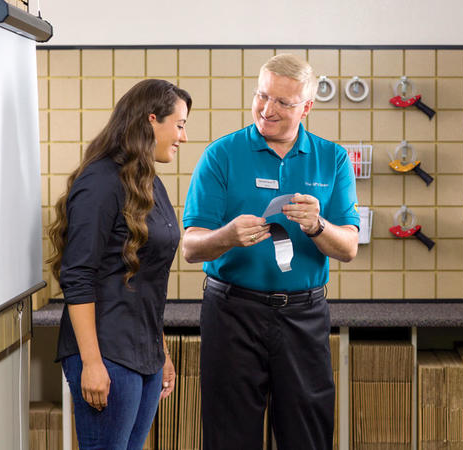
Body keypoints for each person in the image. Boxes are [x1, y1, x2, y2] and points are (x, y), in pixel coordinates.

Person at [182, 54, 359, 450]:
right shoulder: (221, 155)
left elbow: (348, 248)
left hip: (303, 315)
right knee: (230, 436)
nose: (267, 109)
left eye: (283, 102)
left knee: (307, 435)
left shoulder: (332, 158)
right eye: (262, 96)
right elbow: (191, 247)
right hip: (232, 314)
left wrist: (317, 225)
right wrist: (227, 235)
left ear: (307, 107)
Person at [47, 79, 191, 450]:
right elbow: (77, 276)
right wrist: (92, 363)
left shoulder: (148, 183)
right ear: (151, 120)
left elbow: (148, 279)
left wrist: (160, 350)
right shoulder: (100, 182)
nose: (183, 137)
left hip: (144, 354)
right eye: (179, 125)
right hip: (107, 353)